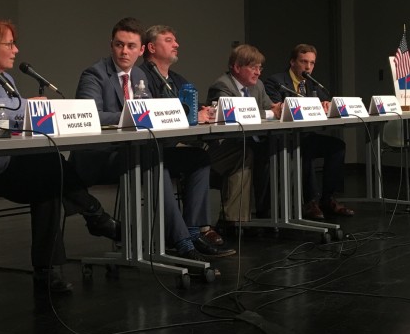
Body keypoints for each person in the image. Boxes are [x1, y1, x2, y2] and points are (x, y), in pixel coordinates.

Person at [0, 19, 121, 292]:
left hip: (10, 165)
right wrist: (31, 105)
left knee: (48, 180)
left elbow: (14, 116)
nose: (16, 50)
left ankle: (48, 270)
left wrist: (29, 110)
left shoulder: (9, 80)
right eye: (10, 44)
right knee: (48, 167)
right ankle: (93, 215)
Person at [74, 17, 234, 261]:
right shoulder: (95, 74)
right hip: (103, 155)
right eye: (119, 44)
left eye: (130, 46)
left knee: (198, 157)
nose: (124, 51)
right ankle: (181, 243)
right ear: (111, 45)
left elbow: (151, 113)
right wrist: (133, 116)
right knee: (153, 161)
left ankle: (193, 231)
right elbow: (90, 114)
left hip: (138, 151)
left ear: (140, 50)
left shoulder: (139, 74)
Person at [140, 24, 252, 238]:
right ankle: (196, 230)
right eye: (169, 40)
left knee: (239, 152)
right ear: (152, 48)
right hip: (157, 148)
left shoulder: (177, 79)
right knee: (197, 157)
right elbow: (152, 113)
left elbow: (195, 104)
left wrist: (207, 110)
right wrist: (191, 117)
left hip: (186, 143)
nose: (177, 44)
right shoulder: (141, 77)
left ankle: (233, 223)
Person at [264, 43, 354, 219]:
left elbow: (324, 103)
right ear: (292, 62)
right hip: (284, 140)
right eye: (304, 61)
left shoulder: (312, 84)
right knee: (303, 148)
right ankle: (310, 202)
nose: (308, 67)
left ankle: (328, 199)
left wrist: (326, 105)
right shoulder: (275, 82)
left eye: (312, 63)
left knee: (337, 146)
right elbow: (276, 109)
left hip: (306, 135)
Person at [206, 44, 282, 219]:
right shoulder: (221, 85)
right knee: (255, 153)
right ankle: (238, 220)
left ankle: (269, 214)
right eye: (253, 67)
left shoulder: (258, 86)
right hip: (228, 145)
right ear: (237, 67)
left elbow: (271, 108)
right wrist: (271, 113)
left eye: (260, 68)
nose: (258, 72)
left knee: (279, 149)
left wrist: (279, 109)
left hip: (253, 141)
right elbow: (233, 114)